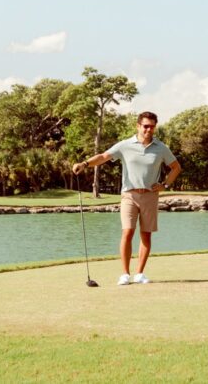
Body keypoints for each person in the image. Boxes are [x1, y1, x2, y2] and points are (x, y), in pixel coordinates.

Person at [72, 111, 181, 285]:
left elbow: (176, 167)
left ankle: (139, 274)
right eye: (145, 126)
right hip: (129, 195)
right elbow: (103, 157)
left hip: (150, 195)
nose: (148, 129)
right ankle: (124, 273)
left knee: (146, 235)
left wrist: (165, 185)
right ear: (138, 126)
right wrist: (85, 164)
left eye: (152, 126)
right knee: (127, 232)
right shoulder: (125, 145)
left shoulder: (161, 148)